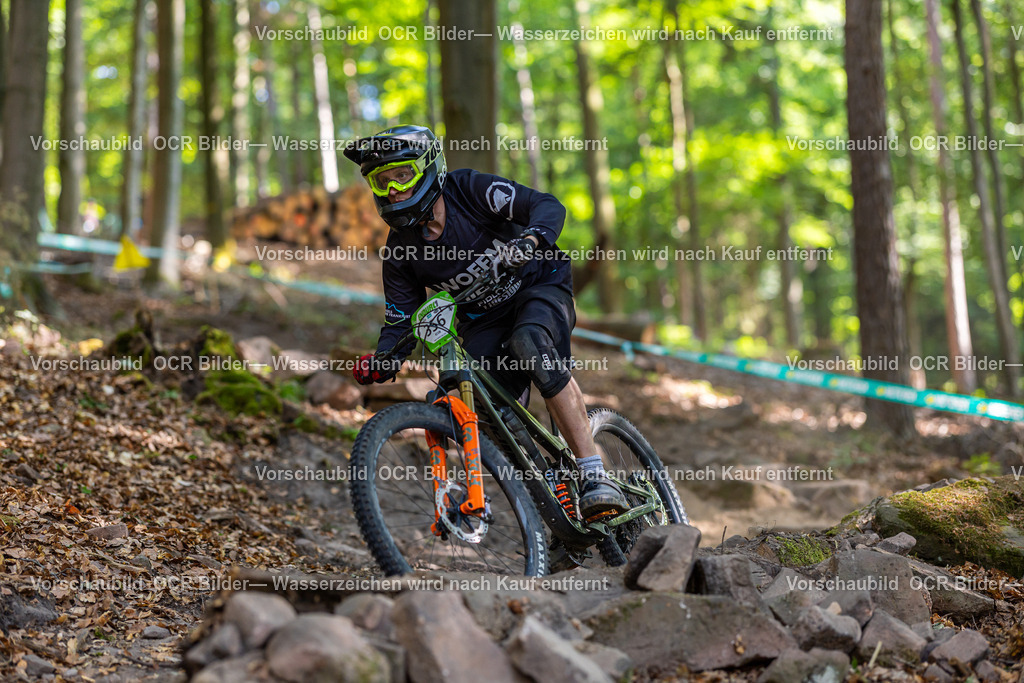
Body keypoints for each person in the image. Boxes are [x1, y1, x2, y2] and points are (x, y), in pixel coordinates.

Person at [344, 124, 626, 520]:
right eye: (382, 181)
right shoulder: (400, 252)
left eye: (402, 175)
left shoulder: (467, 189)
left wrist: (530, 241)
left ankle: (595, 475)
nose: (393, 191)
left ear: (427, 168)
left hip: (538, 285)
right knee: (468, 396)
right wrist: (384, 359)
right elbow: (400, 320)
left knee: (530, 344)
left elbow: (546, 205)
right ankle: (554, 506)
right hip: (483, 321)